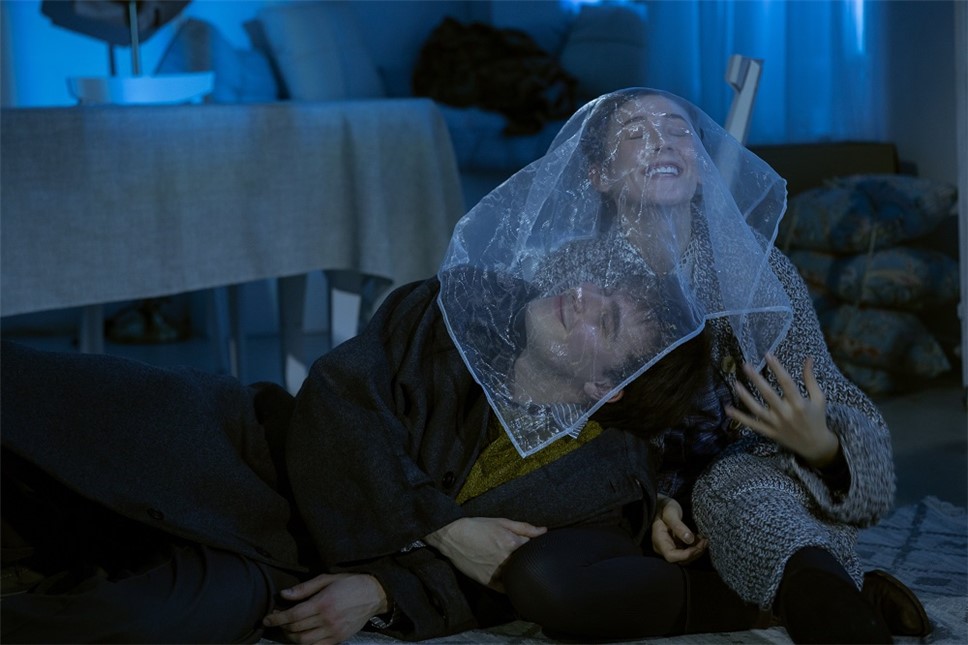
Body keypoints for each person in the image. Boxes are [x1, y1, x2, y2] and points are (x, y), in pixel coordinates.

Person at [0, 257, 707, 643]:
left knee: (138, 620)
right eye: (599, 285)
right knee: (40, 420)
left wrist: (384, 591)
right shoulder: (451, 311)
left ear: (607, 387)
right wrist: (440, 524)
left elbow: (506, 583)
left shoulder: (603, 485)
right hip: (243, 455)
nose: (581, 295)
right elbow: (339, 404)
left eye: (605, 320)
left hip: (285, 565)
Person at [489, 88, 930, 643]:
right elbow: (544, 402)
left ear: (699, 165)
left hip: (749, 488)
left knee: (735, 493)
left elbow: (834, 404)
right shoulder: (568, 274)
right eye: (636, 133)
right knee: (540, 577)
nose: (663, 142)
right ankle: (815, 593)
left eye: (679, 131)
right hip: (618, 492)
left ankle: (821, 596)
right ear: (599, 174)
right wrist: (645, 498)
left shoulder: (758, 270)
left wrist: (824, 448)